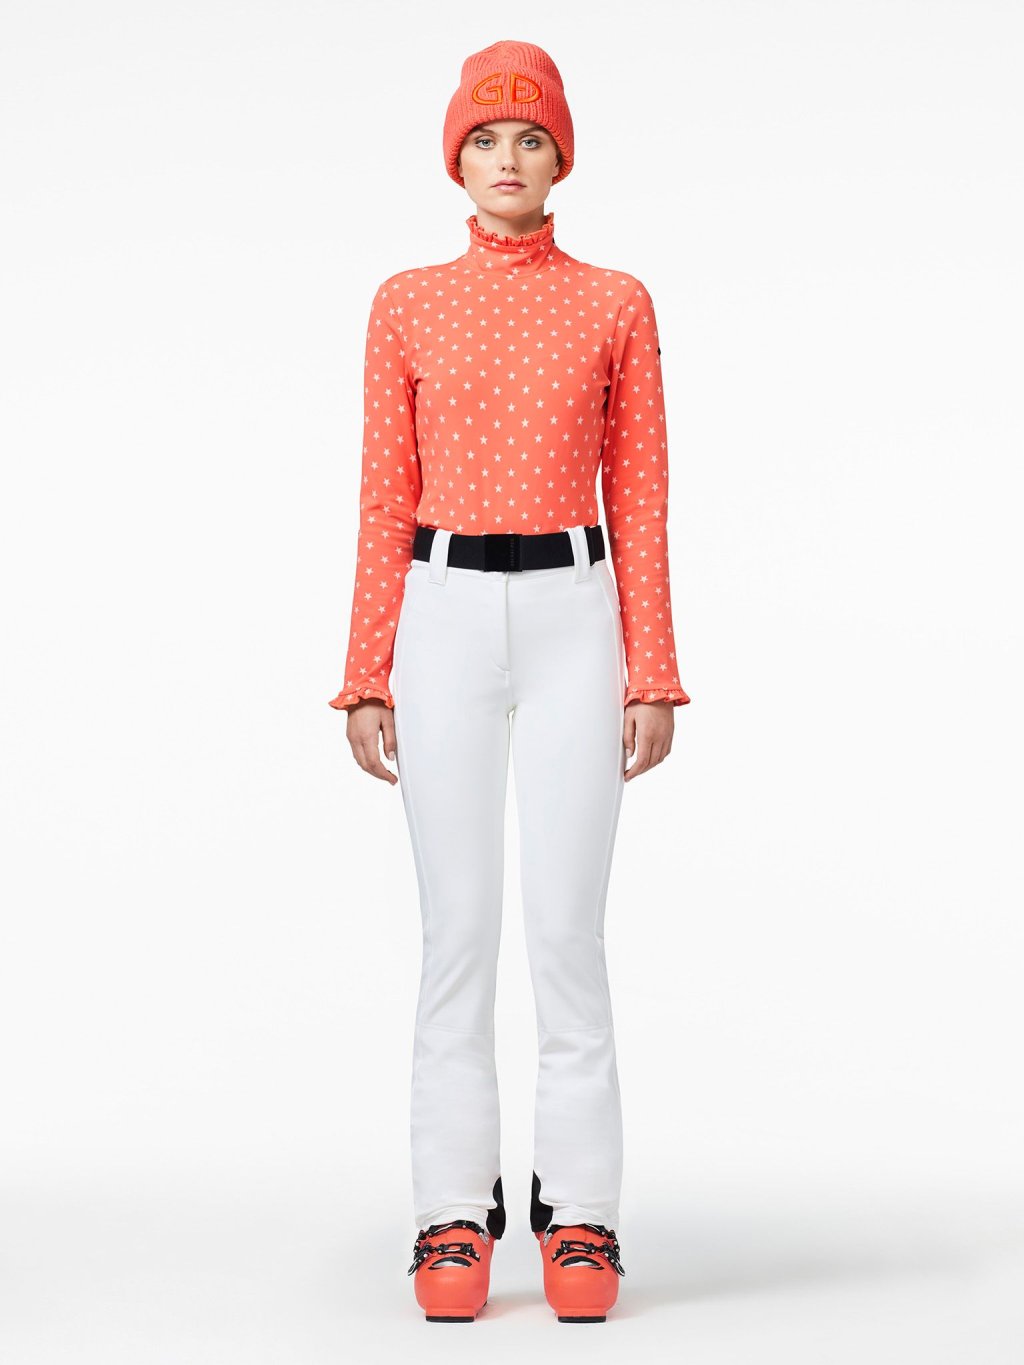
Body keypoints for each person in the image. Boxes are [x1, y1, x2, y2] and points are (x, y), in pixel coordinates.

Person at [328, 39, 690, 1324]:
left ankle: (580, 1215)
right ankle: (450, 1213)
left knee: (566, 933)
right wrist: (366, 668)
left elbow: (638, 496)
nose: (506, 159)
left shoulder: (614, 302)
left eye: (530, 137)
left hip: (572, 616)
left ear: (560, 158)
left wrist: (653, 668)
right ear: (454, 159)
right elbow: (385, 496)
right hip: (440, 617)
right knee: (458, 934)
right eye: (483, 138)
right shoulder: (405, 303)